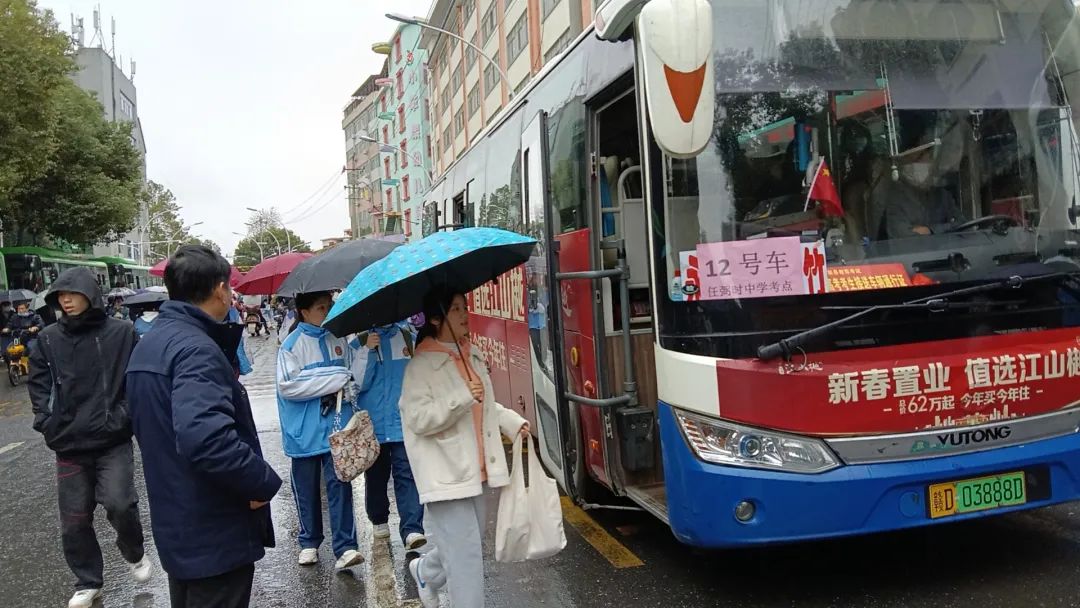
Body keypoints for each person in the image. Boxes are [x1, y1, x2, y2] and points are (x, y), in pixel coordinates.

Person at [126, 246, 282, 608]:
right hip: (213, 527)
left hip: (178, 522)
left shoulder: (152, 344)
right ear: (220, 289)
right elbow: (206, 438)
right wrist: (260, 482)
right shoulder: (196, 349)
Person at [26, 268, 151, 608]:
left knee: (120, 504)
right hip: (68, 443)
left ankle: (134, 552)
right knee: (74, 521)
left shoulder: (122, 333)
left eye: (72, 294)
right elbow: (38, 385)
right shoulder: (48, 339)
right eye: (59, 296)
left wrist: (123, 416)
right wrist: (47, 422)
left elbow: (136, 379)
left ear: (90, 295)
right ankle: (88, 581)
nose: (65, 301)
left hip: (112, 440)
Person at [403, 290, 529, 608]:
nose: (464, 314)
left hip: (477, 468)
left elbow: (484, 406)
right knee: (466, 558)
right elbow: (418, 418)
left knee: (463, 545)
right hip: (445, 473)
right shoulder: (421, 365)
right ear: (436, 318)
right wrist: (460, 397)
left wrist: (512, 423)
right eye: (456, 309)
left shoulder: (471, 354)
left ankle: (425, 572)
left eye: (465, 307)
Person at [276, 291, 364, 570]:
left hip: (335, 430)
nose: (326, 312)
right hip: (303, 432)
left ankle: (346, 547)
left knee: (340, 486)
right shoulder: (291, 345)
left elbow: (351, 377)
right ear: (304, 311)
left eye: (329, 306)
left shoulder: (338, 338)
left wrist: (346, 383)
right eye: (320, 308)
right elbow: (289, 385)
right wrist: (335, 378)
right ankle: (309, 542)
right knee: (306, 490)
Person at [350, 321, 427, 551]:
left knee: (407, 473)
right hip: (374, 424)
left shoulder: (407, 338)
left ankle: (412, 528)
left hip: (403, 421)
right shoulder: (359, 342)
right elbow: (357, 384)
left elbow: (419, 377)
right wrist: (367, 351)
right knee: (376, 474)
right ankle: (379, 519)